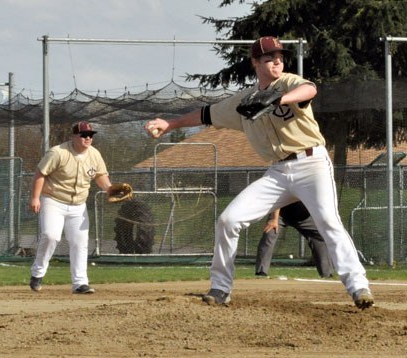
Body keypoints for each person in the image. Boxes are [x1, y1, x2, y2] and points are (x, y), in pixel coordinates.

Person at [144, 36, 374, 309]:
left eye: (279, 56)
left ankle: (358, 286)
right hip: (277, 172)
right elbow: (206, 114)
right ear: (255, 62)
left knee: (327, 221)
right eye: (269, 58)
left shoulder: (287, 82)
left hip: (311, 164)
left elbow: (309, 90)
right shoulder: (243, 102)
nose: (277, 61)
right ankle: (220, 288)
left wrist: (278, 99)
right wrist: (170, 123)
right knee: (229, 220)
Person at [29, 121, 114, 294]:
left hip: (78, 206)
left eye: (90, 135)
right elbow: (40, 173)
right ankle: (37, 273)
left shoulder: (94, 154)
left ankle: (80, 283)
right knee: (51, 236)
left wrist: (109, 189)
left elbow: (100, 176)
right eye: (83, 135)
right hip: (53, 200)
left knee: (80, 242)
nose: (87, 138)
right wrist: (35, 198)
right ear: (73, 137)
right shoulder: (58, 152)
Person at [256, 201, 333, 278]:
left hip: (305, 217)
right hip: (281, 215)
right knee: (268, 236)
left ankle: (327, 274)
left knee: (320, 238)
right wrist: (274, 219)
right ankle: (261, 272)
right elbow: (279, 199)